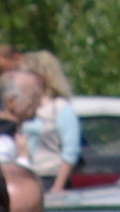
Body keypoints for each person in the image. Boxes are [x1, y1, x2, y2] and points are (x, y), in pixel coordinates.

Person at [24, 50, 82, 178]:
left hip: (50, 175)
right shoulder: (25, 107)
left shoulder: (60, 108)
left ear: (41, 78)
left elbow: (70, 152)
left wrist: (58, 186)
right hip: (27, 176)